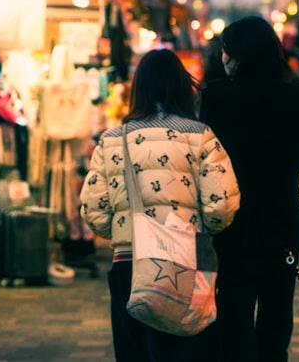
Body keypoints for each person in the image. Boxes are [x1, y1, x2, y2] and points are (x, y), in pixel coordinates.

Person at [79, 49, 240, 362]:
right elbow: (220, 207)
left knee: (134, 352)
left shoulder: (113, 139)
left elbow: (94, 211)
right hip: (189, 260)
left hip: (130, 263)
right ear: (182, 87)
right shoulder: (201, 136)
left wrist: (124, 231)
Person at [198, 16, 299, 361]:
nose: (224, 59)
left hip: (231, 225)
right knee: (276, 324)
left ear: (237, 55)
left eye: (227, 52)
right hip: (282, 222)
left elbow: (209, 164)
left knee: (233, 324)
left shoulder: (217, 97)